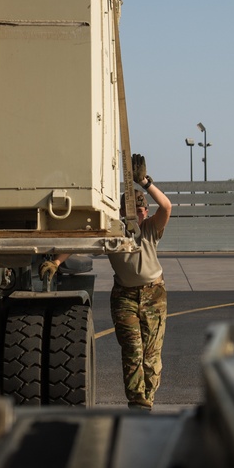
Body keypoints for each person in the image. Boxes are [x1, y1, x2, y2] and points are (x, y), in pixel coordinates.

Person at [41, 159, 172, 410]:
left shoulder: (150, 229)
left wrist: (144, 183)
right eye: (134, 210)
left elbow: (166, 206)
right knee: (133, 349)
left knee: (151, 354)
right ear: (122, 212)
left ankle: (148, 396)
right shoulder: (114, 233)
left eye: (143, 209)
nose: (140, 214)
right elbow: (83, 240)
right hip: (124, 295)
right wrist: (56, 262)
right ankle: (138, 402)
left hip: (154, 294)